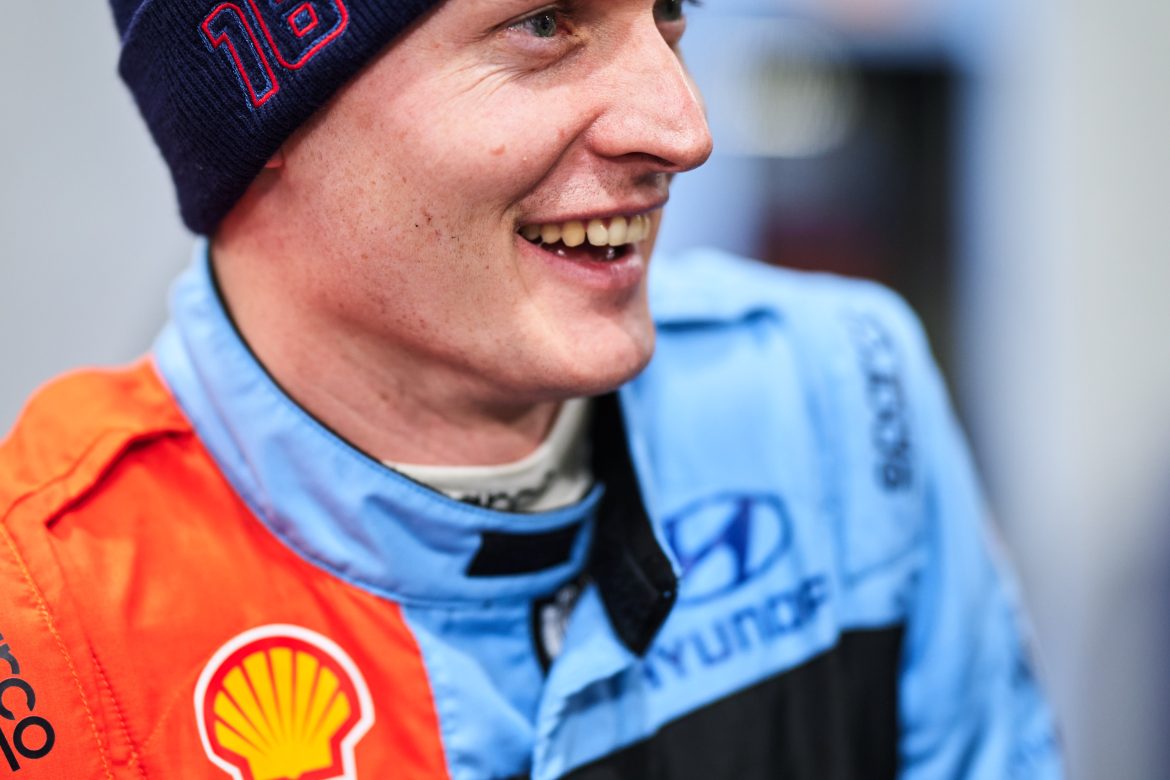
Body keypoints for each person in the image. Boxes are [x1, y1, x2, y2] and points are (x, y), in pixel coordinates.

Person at [0, 0, 1062, 777]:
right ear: (265, 112)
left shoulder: (836, 392)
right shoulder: (51, 625)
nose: (684, 129)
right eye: (545, 25)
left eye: (671, 11)